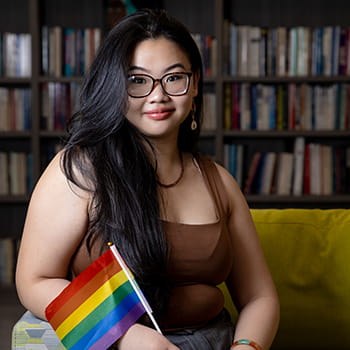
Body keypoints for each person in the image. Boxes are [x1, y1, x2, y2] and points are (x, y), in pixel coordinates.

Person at [15, 8, 279, 350]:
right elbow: (34, 281)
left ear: (195, 82)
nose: (158, 95)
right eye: (137, 80)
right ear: (115, 87)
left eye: (174, 78)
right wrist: (126, 336)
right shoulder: (81, 169)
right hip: (112, 343)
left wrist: (247, 346)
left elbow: (260, 296)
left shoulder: (219, 181)